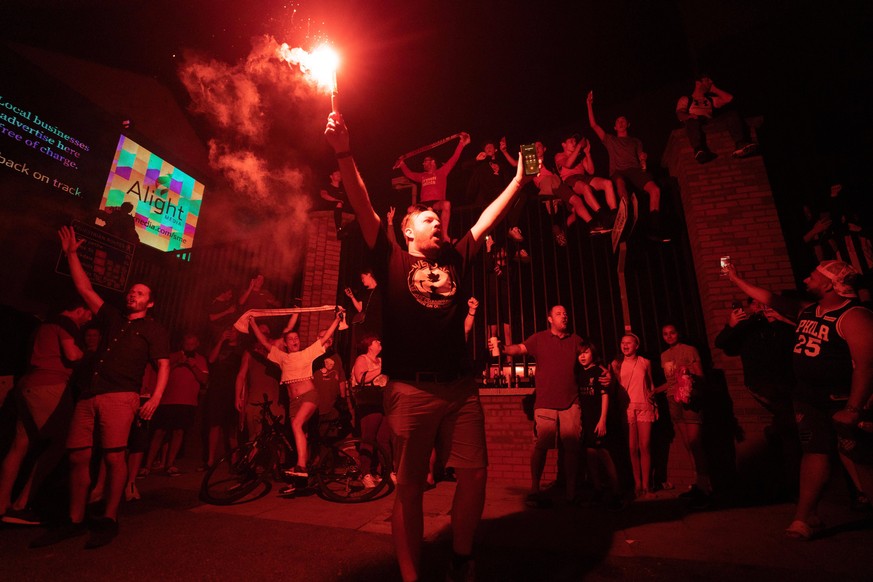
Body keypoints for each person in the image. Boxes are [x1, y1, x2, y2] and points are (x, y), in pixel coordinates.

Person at [325, 110, 530, 582]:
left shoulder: (457, 256)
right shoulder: (391, 258)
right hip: (411, 391)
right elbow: (360, 203)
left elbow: (485, 219)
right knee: (410, 488)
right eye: (429, 219)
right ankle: (411, 574)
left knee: (475, 474)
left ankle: (461, 556)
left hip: (460, 389)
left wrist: (518, 181)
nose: (438, 222)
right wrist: (343, 151)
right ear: (408, 231)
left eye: (438, 218)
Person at [31, 226, 169, 550]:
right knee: (78, 457)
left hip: (122, 397)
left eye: (140, 293)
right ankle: (75, 520)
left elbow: (163, 365)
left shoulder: (154, 330)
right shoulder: (111, 317)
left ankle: (109, 518)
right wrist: (72, 254)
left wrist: (156, 398)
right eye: (132, 291)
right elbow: (83, 287)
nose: (133, 295)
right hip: (90, 394)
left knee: (113, 458)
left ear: (150, 303)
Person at [727, 260, 873, 539]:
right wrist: (735, 279)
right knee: (814, 451)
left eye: (813, 276)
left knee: (860, 458)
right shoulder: (808, 311)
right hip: (809, 398)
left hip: (841, 400)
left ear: (830, 284)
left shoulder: (855, 317)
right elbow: (770, 298)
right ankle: (805, 518)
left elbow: (867, 366)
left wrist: (854, 408)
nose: (806, 279)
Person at [0, 299, 92, 526]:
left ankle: (1, 504)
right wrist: (89, 353)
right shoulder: (67, 323)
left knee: (20, 444)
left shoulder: (43, 326)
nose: (88, 321)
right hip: (49, 386)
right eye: (88, 315)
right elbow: (71, 355)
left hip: (27, 385)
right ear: (79, 309)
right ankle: (21, 505)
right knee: (61, 443)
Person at [491, 306, 585, 505]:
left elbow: (590, 359)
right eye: (559, 313)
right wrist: (503, 348)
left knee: (572, 448)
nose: (564, 316)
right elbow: (519, 349)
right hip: (545, 403)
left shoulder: (576, 341)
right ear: (550, 319)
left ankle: (571, 491)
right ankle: (535, 487)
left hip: (572, 402)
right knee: (541, 446)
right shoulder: (539, 338)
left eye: (566, 313)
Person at [714, 298, 799, 496]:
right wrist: (731, 324)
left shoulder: (782, 324)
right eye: (756, 304)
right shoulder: (749, 326)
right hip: (761, 383)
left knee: (789, 427)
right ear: (751, 307)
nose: (761, 307)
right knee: (788, 425)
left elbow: (801, 336)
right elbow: (723, 343)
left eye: (765, 303)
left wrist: (781, 319)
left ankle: (782, 455)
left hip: (788, 382)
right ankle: (792, 481)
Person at [248, 308, 345, 479]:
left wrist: (337, 320)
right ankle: (304, 472)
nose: (294, 340)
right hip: (294, 403)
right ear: (285, 343)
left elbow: (324, 339)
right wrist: (252, 322)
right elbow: (264, 342)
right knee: (301, 433)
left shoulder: (306, 354)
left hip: (309, 396)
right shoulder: (282, 357)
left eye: (296, 338)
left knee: (296, 426)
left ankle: (301, 466)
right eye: (290, 339)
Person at [587, 90, 667, 242]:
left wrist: (643, 160)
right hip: (618, 172)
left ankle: (655, 226)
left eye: (624, 120)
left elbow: (642, 167)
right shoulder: (610, 140)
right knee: (619, 182)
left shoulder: (636, 141)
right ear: (615, 127)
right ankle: (626, 212)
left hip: (635, 170)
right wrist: (589, 104)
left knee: (655, 189)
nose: (621, 122)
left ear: (628, 124)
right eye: (618, 121)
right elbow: (594, 125)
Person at [658, 323, 712, 507]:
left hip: (688, 397)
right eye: (665, 334)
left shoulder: (689, 350)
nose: (669, 336)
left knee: (695, 442)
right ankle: (696, 482)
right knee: (687, 444)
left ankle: (705, 485)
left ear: (678, 333)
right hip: (673, 398)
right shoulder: (664, 355)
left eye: (672, 332)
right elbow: (669, 381)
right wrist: (654, 390)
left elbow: (700, 374)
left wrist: (688, 372)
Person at [144, 333, 208, 477]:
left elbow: (204, 380)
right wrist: (177, 363)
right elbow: (159, 372)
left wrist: (193, 366)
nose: (189, 347)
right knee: (159, 431)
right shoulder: (171, 356)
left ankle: (170, 464)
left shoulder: (200, 359)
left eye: (192, 344)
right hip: (167, 400)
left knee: (179, 432)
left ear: (197, 345)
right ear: (182, 344)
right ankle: (147, 465)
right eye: (187, 344)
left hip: (187, 402)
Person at [395, 132, 471, 242]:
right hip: (423, 204)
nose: (423, 163)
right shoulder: (422, 176)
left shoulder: (442, 171)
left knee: (447, 204)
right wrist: (402, 164)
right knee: (410, 209)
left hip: (436, 203)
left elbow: (454, 159)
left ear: (433, 162)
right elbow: (409, 174)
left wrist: (461, 143)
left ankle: (445, 236)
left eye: (425, 161)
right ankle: (411, 236)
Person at [577, 340, 623, 510]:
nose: (582, 356)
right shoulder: (580, 373)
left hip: (599, 421)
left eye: (586, 352)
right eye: (580, 353)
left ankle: (617, 494)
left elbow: (605, 396)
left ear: (593, 354)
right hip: (587, 422)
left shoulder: (599, 371)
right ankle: (598, 490)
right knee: (590, 456)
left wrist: (602, 419)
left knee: (604, 454)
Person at [611, 333, 657, 498]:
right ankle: (637, 483)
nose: (625, 345)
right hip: (628, 408)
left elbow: (650, 384)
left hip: (644, 405)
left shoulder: (645, 362)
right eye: (622, 342)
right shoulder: (616, 364)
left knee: (645, 446)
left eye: (628, 343)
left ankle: (646, 483)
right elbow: (614, 387)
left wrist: (655, 404)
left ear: (636, 345)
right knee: (632, 447)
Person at [675, 73, 758, 164]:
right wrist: (689, 116)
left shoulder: (710, 99)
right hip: (696, 121)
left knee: (731, 114)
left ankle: (740, 144)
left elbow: (729, 98)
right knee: (691, 121)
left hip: (709, 120)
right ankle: (699, 150)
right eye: (707, 80)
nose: (711, 81)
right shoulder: (686, 99)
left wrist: (714, 89)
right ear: (698, 83)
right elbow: (680, 114)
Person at [350, 334, 391, 488]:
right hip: (369, 402)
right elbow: (361, 378)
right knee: (369, 437)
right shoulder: (363, 358)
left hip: (383, 402)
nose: (379, 342)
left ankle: (384, 471)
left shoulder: (381, 360)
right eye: (376, 341)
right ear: (368, 345)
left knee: (384, 439)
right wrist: (381, 369)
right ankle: (365, 473)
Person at [554, 132, 617, 234]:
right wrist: (579, 146)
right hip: (571, 179)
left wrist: (587, 153)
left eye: (575, 141)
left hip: (583, 177)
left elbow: (591, 171)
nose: (574, 143)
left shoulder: (579, 155)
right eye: (571, 141)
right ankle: (602, 216)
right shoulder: (559, 155)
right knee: (585, 188)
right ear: (564, 144)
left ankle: (614, 213)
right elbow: (568, 164)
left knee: (607, 183)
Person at [206, 327, 245, 468]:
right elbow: (211, 359)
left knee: (232, 428)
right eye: (229, 330)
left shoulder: (241, 350)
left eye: (234, 331)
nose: (230, 333)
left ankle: (234, 460)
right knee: (214, 425)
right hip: (217, 390)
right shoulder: (220, 346)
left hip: (232, 391)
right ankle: (210, 460)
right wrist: (221, 339)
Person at [318, 169, 353, 239]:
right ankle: (338, 230)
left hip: (340, 208)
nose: (339, 175)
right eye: (336, 174)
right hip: (329, 206)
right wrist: (335, 200)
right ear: (331, 176)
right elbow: (324, 195)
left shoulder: (343, 189)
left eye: (340, 174)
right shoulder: (326, 186)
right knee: (339, 203)